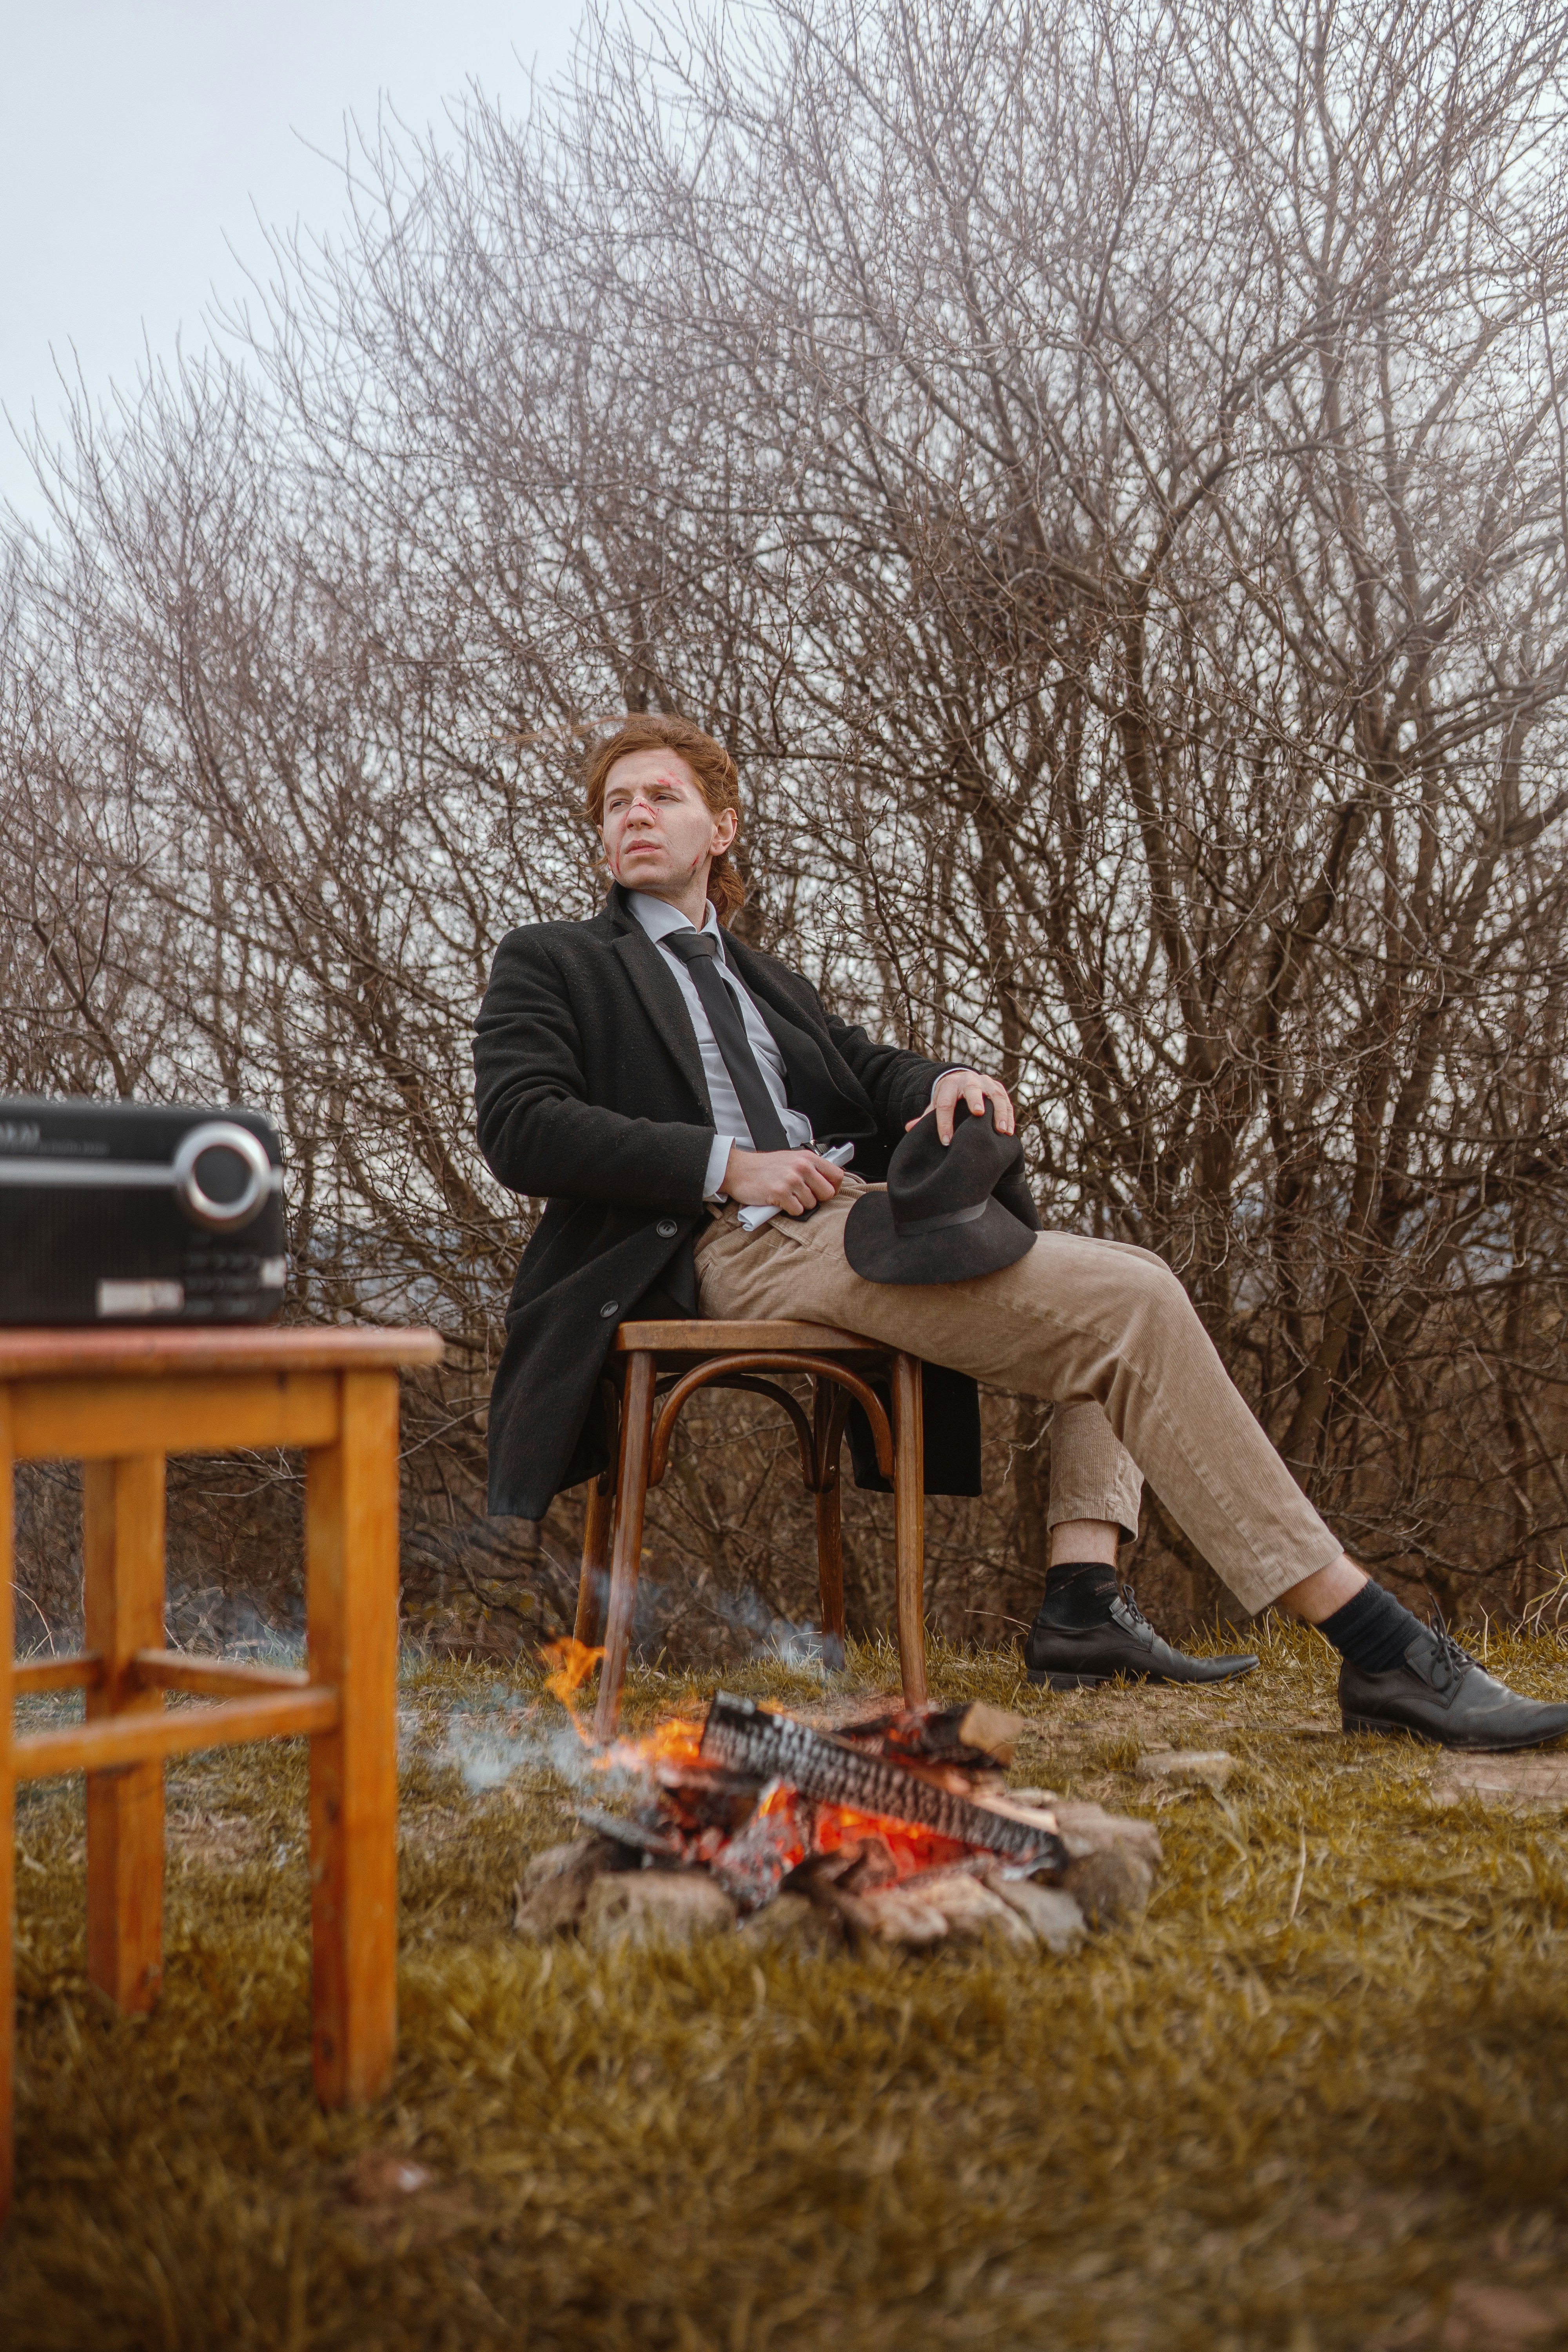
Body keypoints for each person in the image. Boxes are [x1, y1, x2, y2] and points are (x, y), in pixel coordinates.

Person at [474, 713, 1568, 1750]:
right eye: (615, 802)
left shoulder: (767, 979)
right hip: (717, 1242)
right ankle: (1380, 1650)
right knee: (1127, 1306)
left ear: (724, 827)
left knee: (1128, 1277)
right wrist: (726, 1162)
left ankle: (1082, 1604)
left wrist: (949, 1077)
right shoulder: (555, 959)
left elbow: (868, 1071)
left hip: (846, 1216)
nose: (633, 814)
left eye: (662, 795)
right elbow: (521, 1126)